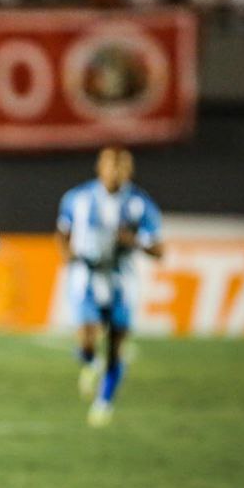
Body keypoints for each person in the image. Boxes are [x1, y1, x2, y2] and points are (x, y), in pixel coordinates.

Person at [56, 147, 164, 427]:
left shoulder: (140, 204)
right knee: (87, 339)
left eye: (120, 167)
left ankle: (103, 403)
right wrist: (67, 253)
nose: (114, 172)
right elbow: (63, 233)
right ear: (99, 167)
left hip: (122, 282)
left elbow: (159, 249)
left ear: (129, 171)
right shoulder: (77, 198)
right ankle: (91, 363)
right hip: (87, 277)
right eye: (109, 165)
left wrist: (135, 241)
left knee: (116, 346)